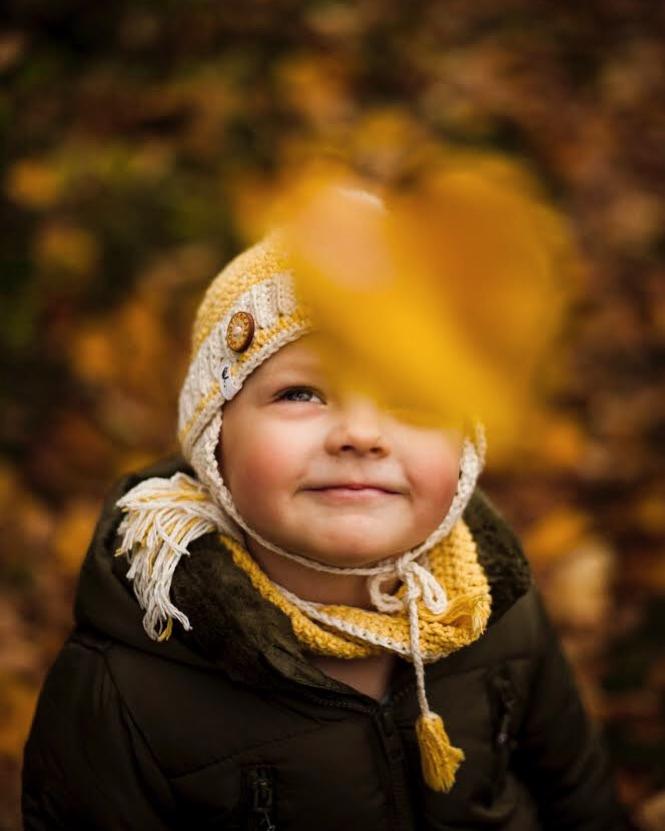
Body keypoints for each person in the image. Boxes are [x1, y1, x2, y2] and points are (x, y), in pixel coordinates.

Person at [22, 190, 627, 830]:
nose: (361, 434)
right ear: (212, 437)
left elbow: (579, 795)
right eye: (302, 392)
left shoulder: (491, 604)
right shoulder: (126, 686)